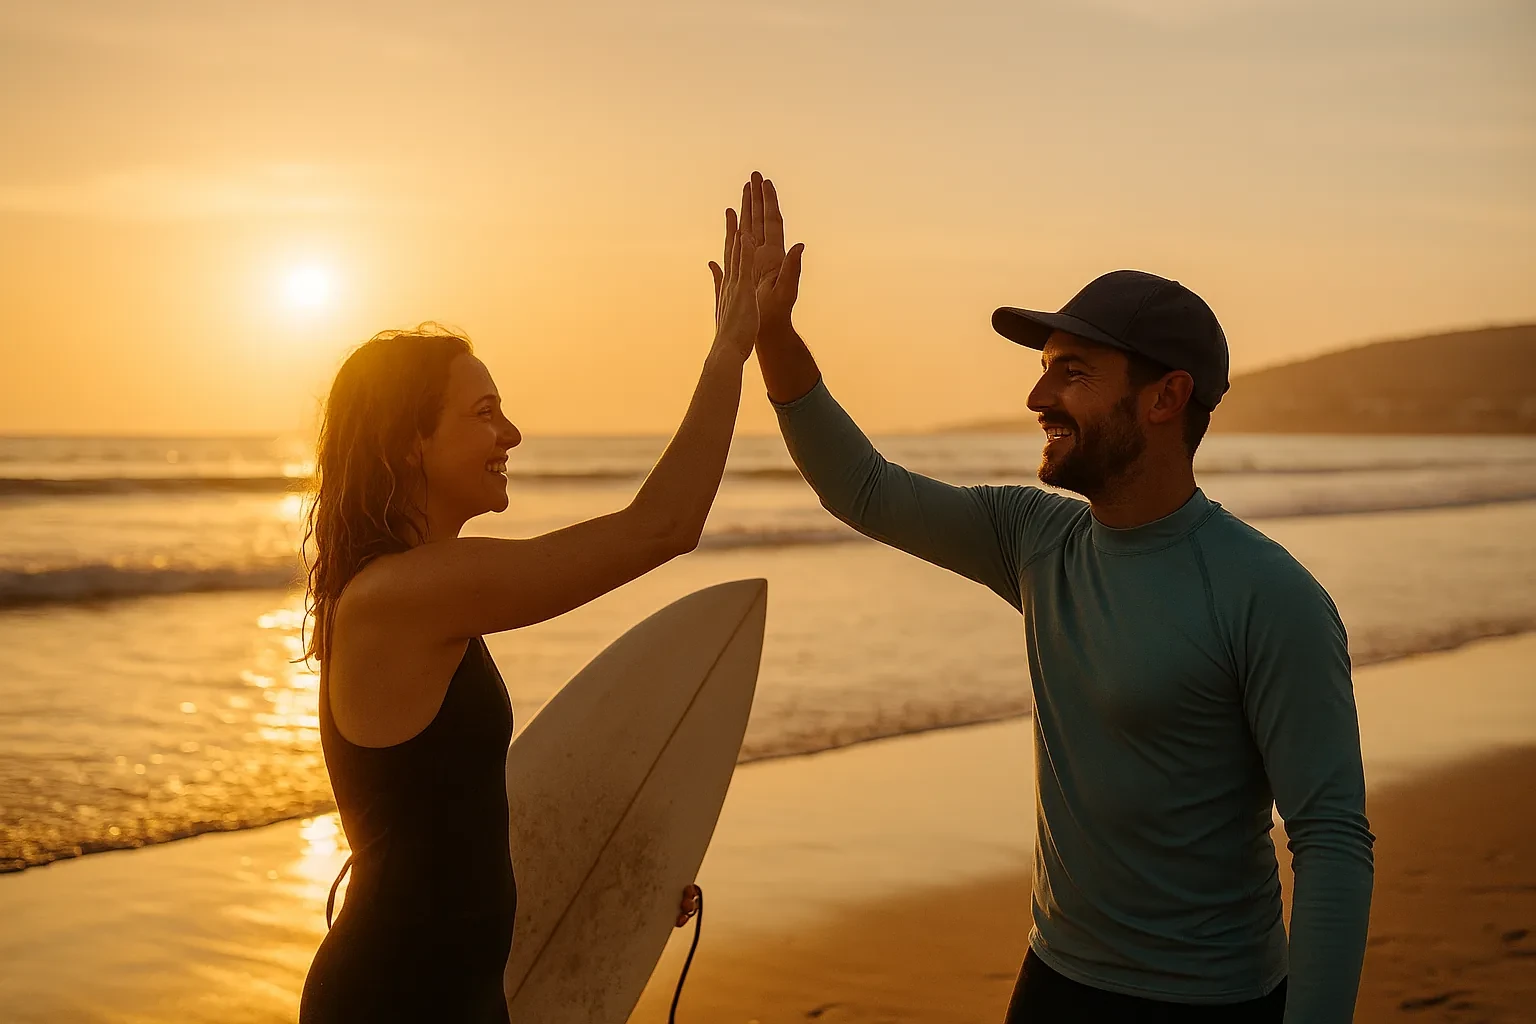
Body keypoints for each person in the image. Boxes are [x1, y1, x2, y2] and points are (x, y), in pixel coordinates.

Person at [740, 172, 1374, 1023]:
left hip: (1213, 1000)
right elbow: (863, 489)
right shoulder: (1036, 540)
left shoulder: (1270, 595)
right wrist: (774, 335)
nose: (1038, 397)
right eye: (1044, 372)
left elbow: (1330, 840)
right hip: (1054, 984)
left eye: (1071, 373)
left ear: (1165, 397)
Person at [297, 187, 791, 1022]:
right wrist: (727, 354)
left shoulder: (421, 589)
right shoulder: (402, 596)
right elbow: (662, 527)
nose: (512, 435)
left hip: (460, 995)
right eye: (484, 413)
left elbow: (447, 818)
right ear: (408, 442)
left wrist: (609, 882)